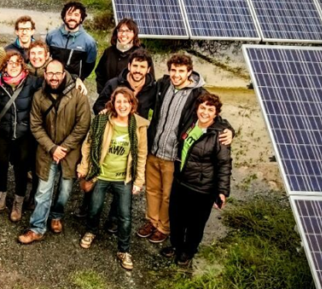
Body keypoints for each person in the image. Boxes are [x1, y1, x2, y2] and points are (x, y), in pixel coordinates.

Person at [138, 54, 232, 244]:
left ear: (189, 72)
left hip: (174, 156)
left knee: (167, 196)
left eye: (181, 71)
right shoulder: (162, 85)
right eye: (173, 70)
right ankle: (152, 220)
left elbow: (213, 115)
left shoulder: (198, 93)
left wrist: (229, 130)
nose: (176, 75)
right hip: (154, 149)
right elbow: (140, 99)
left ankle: (163, 227)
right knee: (152, 191)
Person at [19, 60, 91, 244]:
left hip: (70, 153)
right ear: (45, 74)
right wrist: (52, 148)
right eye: (50, 73)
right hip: (46, 151)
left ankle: (56, 214)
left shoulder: (78, 95)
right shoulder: (39, 96)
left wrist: (64, 148)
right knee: (43, 191)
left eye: (57, 73)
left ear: (63, 73)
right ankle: (37, 228)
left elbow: (82, 125)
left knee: (65, 191)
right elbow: (35, 125)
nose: (53, 77)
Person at [76, 87, 148, 271]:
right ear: (113, 103)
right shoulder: (102, 120)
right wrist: (84, 166)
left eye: (126, 101)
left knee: (125, 216)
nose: (122, 105)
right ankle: (91, 231)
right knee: (94, 207)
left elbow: (141, 154)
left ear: (132, 104)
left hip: (123, 178)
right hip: (101, 174)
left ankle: (124, 250)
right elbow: (88, 143)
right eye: (119, 101)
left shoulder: (139, 125)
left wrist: (139, 181)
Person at [161, 94, 231, 267]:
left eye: (210, 110)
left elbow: (224, 164)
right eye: (202, 108)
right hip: (181, 182)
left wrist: (222, 191)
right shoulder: (191, 124)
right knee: (176, 218)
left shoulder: (220, 135)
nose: (205, 112)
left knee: (195, 224)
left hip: (202, 189)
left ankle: (188, 252)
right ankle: (176, 246)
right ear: (197, 109)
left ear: (216, 113)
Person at [0, 50, 40, 222]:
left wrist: (76, 80)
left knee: (21, 169)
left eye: (17, 62)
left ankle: (18, 203)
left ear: (22, 65)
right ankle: (0, 199)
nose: (13, 66)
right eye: (10, 62)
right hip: (2, 131)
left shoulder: (31, 82)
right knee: (1, 166)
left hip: (24, 134)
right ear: (4, 65)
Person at [92, 48, 156, 119]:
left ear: (148, 69)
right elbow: (98, 106)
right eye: (135, 66)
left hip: (138, 128)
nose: (138, 70)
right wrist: (106, 112)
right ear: (129, 66)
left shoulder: (153, 88)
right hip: (115, 126)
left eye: (142, 67)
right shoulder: (113, 84)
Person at [46, 1, 98, 80]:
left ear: (81, 18)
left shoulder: (89, 42)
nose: (72, 18)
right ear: (64, 17)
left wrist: (80, 79)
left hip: (74, 83)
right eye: (69, 14)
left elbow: (89, 65)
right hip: (53, 80)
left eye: (76, 15)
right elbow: (46, 58)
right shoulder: (51, 36)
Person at [94, 18, 144, 95]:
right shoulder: (108, 52)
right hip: (109, 99)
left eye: (128, 31)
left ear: (134, 34)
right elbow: (100, 73)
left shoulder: (141, 54)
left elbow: (148, 80)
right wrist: (103, 92)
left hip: (131, 102)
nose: (123, 34)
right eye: (121, 31)